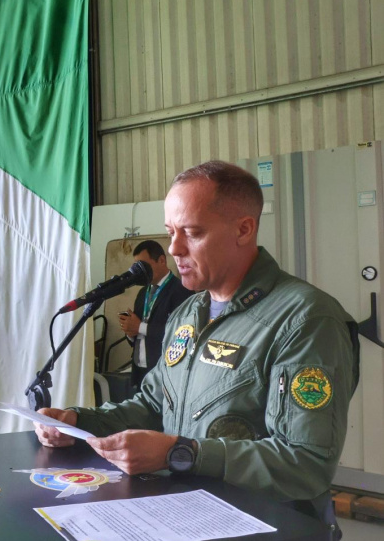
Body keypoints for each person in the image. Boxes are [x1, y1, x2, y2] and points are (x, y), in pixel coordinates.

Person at [35, 161, 359, 538]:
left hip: (265, 524)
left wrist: (179, 452)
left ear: (244, 229)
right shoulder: (188, 312)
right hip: (186, 515)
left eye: (192, 232)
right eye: (172, 232)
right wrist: (79, 422)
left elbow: (305, 463)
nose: (174, 248)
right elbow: (154, 404)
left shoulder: (305, 319)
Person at [118, 240, 194, 389]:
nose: (141, 272)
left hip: (165, 373)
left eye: (144, 266)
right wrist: (129, 331)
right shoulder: (142, 293)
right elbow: (137, 336)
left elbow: (181, 335)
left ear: (161, 260)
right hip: (139, 371)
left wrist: (139, 327)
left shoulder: (181, 291)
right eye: (137, 267)